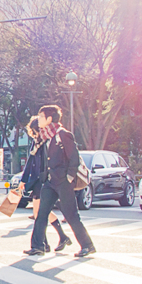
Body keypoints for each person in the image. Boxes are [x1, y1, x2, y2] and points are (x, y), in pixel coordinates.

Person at [26, 105, 95, 257]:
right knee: (41, 214)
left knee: (71, 215)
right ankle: (37, 246)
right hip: (50, 182)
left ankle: (87, 245)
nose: (39, 120)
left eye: (41, 117)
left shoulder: (63, 135)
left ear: (49, 119)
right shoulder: (45, 136)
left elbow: (74, 157)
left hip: (63, 181)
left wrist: (69, 177)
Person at [18, 117, 73, 253]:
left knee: (40, 212)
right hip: (38, 181)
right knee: (42, 212)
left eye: (34, 131)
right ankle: (54, 239)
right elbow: (30, 162)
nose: (34, 133)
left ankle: (44, 244)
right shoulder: (37, 142)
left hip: (44, 181)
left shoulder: (47, 142)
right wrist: (24, 179)